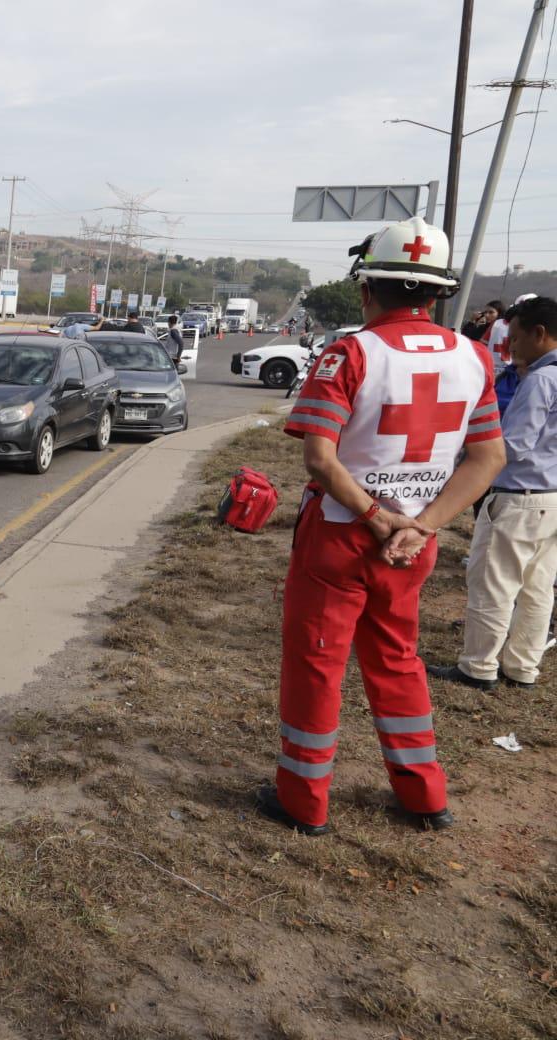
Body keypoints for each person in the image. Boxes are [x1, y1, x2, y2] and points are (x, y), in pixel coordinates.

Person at [262, 216, 504, 837]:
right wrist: (420, 526)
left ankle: (303, 800)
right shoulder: (476, 358)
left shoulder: (349, 353)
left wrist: (375, 516)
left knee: (318, 664)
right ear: (436, 294)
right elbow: (488, 458)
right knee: (398, 660)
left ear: (368, 290)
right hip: (413, 547)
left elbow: (320, 457)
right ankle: (424, 796)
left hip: (342, 536)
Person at [429, 296, 557, 691]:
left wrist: (469, 455)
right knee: (538, 588)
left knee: (493, 583)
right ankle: (522, 667)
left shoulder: (540, 379)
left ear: (539, 334)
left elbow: (513, 445)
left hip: (518, 496)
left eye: (516, 339)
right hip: (552, 497)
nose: (511, 347)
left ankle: (478, 666)